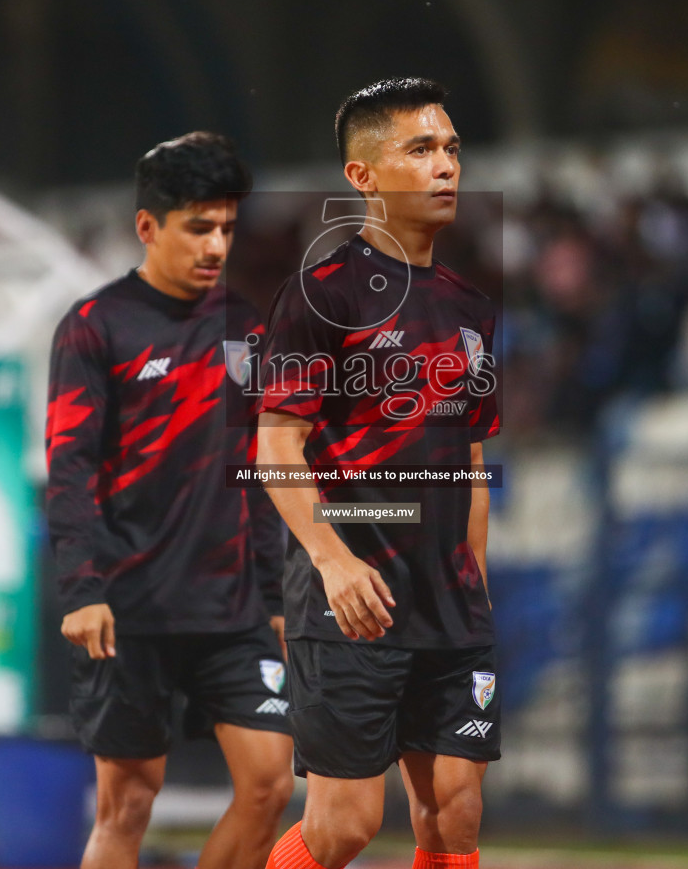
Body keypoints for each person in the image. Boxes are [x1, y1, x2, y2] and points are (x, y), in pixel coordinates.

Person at [257, 78, 499, 869]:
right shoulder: (318, 299)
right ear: (363, 177)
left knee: (454, 818)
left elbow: (469, 463)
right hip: (353, 595)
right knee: (345, 826)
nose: (445, 167)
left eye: (452, 149)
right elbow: (276, 449)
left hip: (447, 602)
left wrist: (477, 584)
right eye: (421, 150)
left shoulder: (471, 310)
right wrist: (330, 560)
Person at [45, 132, 293, 869]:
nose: (217, 244)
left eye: (226, 227)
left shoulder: (245, 326)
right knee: (128, 806)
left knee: (271, 785)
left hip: (232, 610)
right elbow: (70, 468)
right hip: (129, 608)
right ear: (148, 227)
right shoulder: (95, 328)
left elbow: (256, 460)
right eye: (199, 227)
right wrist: (83, 590)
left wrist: (274, 593)